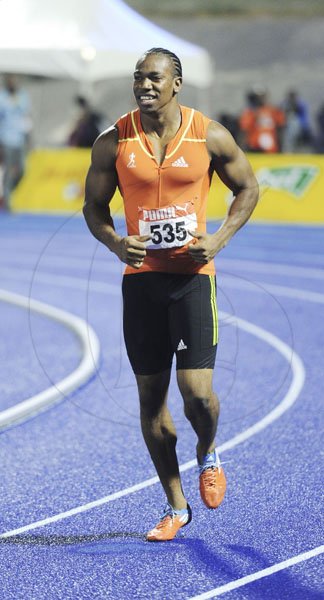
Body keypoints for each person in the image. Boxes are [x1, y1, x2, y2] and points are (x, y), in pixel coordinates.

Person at [83, 48, 259, 542]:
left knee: (198, 396)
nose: (145, 85)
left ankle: (207, 450)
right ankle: (176, 506)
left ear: (176, 83)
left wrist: (219, 238)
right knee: (151, 400)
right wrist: (116, 241)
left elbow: (248, 189)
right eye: (139, 78)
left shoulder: (209, 134)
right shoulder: (113, 140)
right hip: (141, 284)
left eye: (155, 78)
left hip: (193, 280)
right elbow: (93, 207)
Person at [0, 74, 32, 209]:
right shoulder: (2, 97)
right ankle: (6, 201)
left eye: (15, 80)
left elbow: (26, 118)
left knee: (22, 170)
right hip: (6, 139)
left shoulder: (23, 96)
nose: (13, 82)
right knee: (7, 171)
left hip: (20, 140)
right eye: (11, 80)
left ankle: (7, 193)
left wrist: (29, 138)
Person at [239, 85, 285, 153]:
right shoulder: (249, 112)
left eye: (262, 96)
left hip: (272, 149)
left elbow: (280, 128)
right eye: (257, 97)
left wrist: (281, 147)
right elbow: (244, 131)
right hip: (255, 148)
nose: (260, 99)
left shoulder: (273, 111)